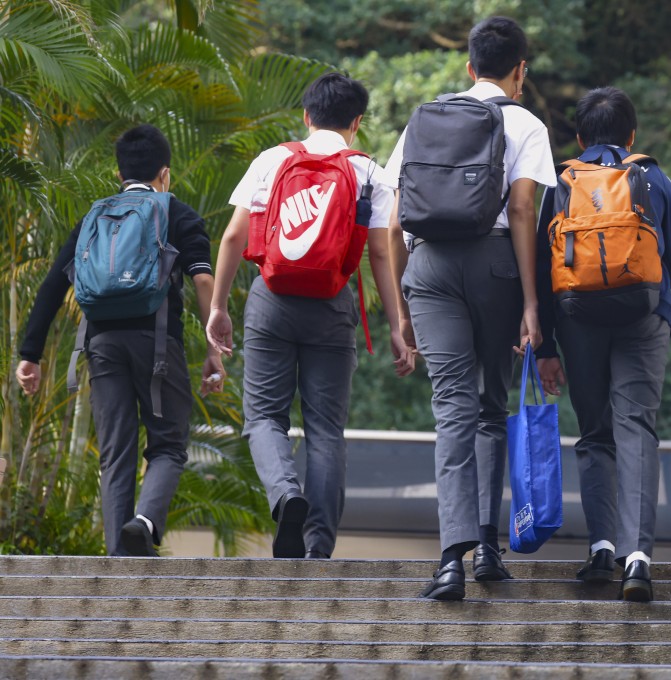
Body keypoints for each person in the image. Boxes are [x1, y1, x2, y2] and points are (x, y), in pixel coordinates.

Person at [207, 72, 413, 560]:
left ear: (306, 116)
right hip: (333, 304)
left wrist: (218, 307)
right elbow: (381, 256)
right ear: (357, 123)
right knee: (325, 431)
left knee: (263, 418)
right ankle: (319, 547)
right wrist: (398, 327)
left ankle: (285, 493)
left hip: (271, 300)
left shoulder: (273, 160)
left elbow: (235, 236)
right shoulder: (369, 172)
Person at [384, 16, 556, 599]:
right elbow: (526, 210)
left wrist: (403, 308)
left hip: (429, 267)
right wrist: (533, 303)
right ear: (520, 72)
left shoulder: (425, 120)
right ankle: (487, 547)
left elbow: (391, 221)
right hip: (497, 266)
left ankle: (450, 560)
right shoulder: (526, 123)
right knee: (490, 405)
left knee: (451, 410)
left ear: (468, 67)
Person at [535, 86, 671, 601]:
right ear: (631, 135)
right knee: (636, 426)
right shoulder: (653, 179)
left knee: (595, 433)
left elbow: (543, 267)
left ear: (578, 137)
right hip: (644, 316)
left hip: (577, 320)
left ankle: (601, 547)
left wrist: (545, 345)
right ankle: (638, 556)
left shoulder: (561, 182)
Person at [15, 124, 221, 556]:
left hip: (102, 344)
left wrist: (30, 354)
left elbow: (55, 284)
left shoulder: (95, 216)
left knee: (115, 452)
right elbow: (203, 280)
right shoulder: (176, 213)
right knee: (167, 443)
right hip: (157, 343)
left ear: (118, 174)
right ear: (165, 173)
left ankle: (117, 558)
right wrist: (215, 351)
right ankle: (144, 521)